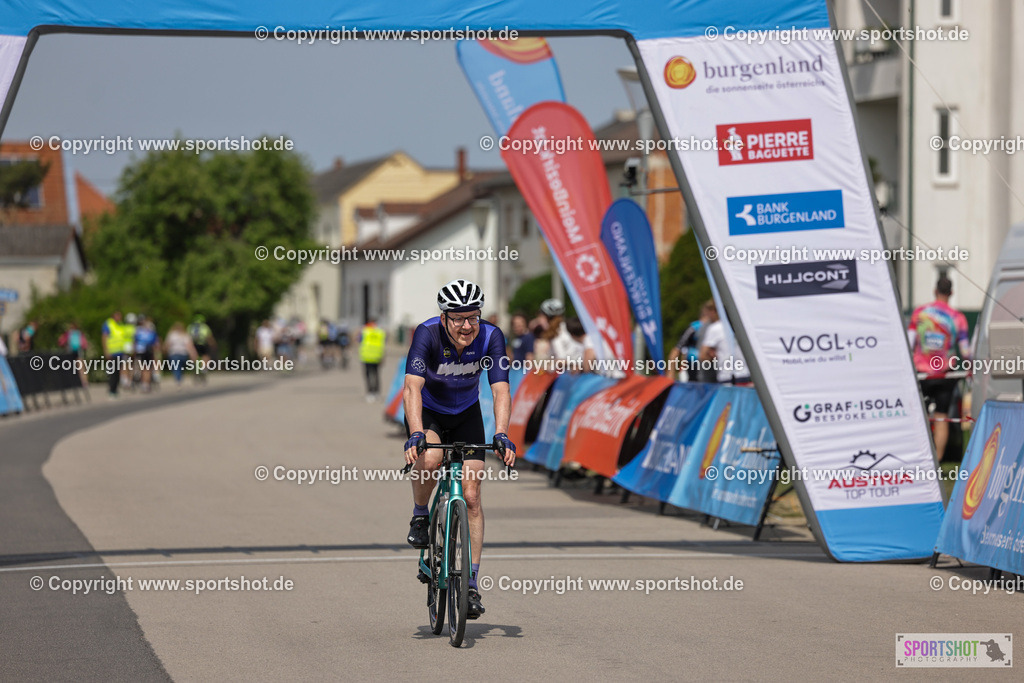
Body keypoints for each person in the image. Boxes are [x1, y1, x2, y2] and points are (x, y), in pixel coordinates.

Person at [403, 278, 516, 620]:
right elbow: (411, 388)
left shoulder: (491, 336)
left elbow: (500, 390)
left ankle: (470, 584)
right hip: (433, 413)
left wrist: (501, 433)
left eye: (473, 317)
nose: (467, 326)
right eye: (458, 319)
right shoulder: (427, 334)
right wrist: (416, 432)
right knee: (432, 457)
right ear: (444, 318)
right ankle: (421, 515)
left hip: (467, 414)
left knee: (472, 494)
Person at [908, 276, 970, 461]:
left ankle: (921, 459)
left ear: (935, 291)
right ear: (951, 293)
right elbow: (966, 351)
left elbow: (909, 342)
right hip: (945, 375)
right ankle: (938, 461)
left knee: (920, 416)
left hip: (922, 374)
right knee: (942, 417)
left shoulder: (919, 313)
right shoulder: (958, 318)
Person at [698, 303, 751, 385]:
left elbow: (703, 356)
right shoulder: (745, 324)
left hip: (727, 377)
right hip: (748, 375)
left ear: (714, 311)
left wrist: (714, 356)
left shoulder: (715, 328)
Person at [669, 299, 715, 381]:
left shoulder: (717, 326)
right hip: (694, 368)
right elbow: (677, 349)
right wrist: (670, 373)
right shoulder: (694, 327)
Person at [359, 317, 386, 401]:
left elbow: (358, 340)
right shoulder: (380, 332)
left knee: (368, 375)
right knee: (376, 375)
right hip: (377, 356)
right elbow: (383, 345)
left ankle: (370, 392)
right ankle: (376, 392)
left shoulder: (364, 331)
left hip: (366, 356)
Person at [101, 311, 128, 397]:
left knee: (118, 372)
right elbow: (104, 337)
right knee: (112, 372)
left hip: (120, 352)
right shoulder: (108, 324)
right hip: (112, 352)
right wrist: (106, 350)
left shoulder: (120, 325)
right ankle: (111, 389)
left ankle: (115, 389)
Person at [164, 321, 197, 387]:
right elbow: (189, 346)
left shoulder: (172, 335)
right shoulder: (185, 335)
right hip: (183, 354)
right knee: (181, 367)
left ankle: (178, 380)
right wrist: (193, 354)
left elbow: (167, 344)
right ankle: (179, 378)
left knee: (176, 367)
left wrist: (165, 351)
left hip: (174, 354)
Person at [134, 315, 160, 393]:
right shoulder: (149, 330)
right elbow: (155, 342)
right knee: (147, 369)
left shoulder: (138, 330)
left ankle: (144, 383)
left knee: (144, 368)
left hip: (141, 351)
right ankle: (146, 384)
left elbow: (135, 341)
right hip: (147, 351)